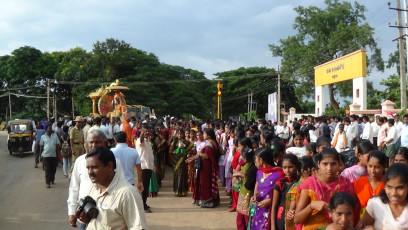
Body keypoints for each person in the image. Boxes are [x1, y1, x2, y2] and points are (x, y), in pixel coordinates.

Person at [78, 147, 148, 230]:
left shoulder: (128, 194)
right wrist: (87, 221)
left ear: (109, 166)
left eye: (94, 167)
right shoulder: (93, 189)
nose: (90, 172)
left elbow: (138, 227)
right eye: (88, 168)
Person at [67, 129, 125, 229]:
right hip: (85, 213)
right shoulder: (80, 161)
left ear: (104, 143)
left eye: (97, 142)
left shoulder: (114, 162)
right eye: (91, 142)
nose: (93, 145)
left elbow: (121, 185)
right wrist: (72, 211)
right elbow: (74, 187)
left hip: (107, 214)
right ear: (87, 144)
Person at [294, 148, 354, 230]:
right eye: (325, 164)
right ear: (318, 164)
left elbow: (350, 216)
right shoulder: (310, 184)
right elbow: (297, 219)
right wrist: (312, 206)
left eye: (333, 164)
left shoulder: (345, 184)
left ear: (339, 164)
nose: (329, 168)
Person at [357, 163, 408, 229]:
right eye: (389, 187)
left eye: (400, 188)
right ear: (385, 186)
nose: (394, 193)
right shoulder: (376, 204)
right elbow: (360, 227)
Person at [250, 147, 285, 230]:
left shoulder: (280, 174)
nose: (255, 161)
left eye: (256, 159)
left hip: (271, 210)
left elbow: (283, 195)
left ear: (261, 160)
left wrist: (270, 201)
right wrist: (254, 197)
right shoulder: (259, 172)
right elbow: (257, 187)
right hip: (259, 209)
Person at [189, 128, 221, 208]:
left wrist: (199, 153)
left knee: (205, 184)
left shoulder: (209, 144)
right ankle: (212, 200)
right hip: (207, 166)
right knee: (209, 183)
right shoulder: (213, 142)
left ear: (208, 135)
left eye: (204, 134)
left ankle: (206, 201)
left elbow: (207, 156)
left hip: (206, 167)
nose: (203, 135)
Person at [353, 150, 387, 218]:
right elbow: (352, 204)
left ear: (384, 167)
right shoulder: (359, 183)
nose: (372, 171)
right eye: (370, 166)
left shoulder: (389, 184)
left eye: (377, 167)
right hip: (363, 222)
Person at [271, 154, 299, 230]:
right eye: (284, 168)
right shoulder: (279, 183)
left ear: (296, 167)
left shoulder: (299, 182)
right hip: (281, 216)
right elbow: (274, 206)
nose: (287, 170)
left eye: (290, 167)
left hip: (295, 215)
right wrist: (273, 227)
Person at [135, 125, 155, 213]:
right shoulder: (140, 140)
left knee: (146, 187)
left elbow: (150, 155)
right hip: (143, 167)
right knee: (144, 188)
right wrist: (142, 133)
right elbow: (141, 139)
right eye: (145, 131)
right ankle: (142, 206)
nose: (147, 132)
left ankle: (144, 203)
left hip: (148, 167)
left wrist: (153, 166)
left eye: (148, 131)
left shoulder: (147, 141)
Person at [170, 128, 194, 196]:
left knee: (183, 175)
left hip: (183, 161)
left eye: (181, 134)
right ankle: (177, 190)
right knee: (177, 175)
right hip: (176, 161)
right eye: (178, 134)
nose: (179, 135)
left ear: (183, 134)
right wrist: (176, 152)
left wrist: (185, 152)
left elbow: (191, 150)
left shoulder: (186, 142)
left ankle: (183, 191)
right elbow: (170, 151)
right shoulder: (174, 142)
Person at [40, 124, 60, 188]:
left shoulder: (55, 136)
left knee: (53, 169)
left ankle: (52, 179)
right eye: (49, 128)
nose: (50, 129)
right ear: (46, 129)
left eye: (51, 128)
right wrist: (40, 155)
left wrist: (58, 154)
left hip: (54, 155)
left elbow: (57, 145)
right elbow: (41, 146)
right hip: (45, 156)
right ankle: (47, 183)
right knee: (47, 169)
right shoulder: (43, 136)